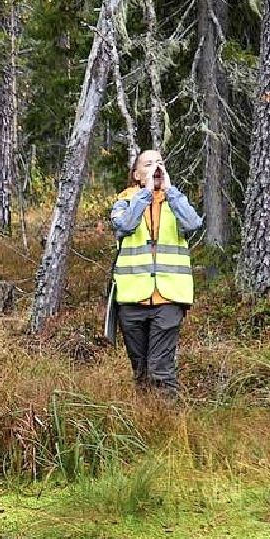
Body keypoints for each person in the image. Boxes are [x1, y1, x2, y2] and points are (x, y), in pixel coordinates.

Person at [107, 150, 204, 399]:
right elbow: (125, 225)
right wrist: (145, 194)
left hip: (169, 297)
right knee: (140, 369)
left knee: (161, 369)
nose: (156, 167)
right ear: (136, 174)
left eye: (160, 163)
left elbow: (193, 224)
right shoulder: (124, 202)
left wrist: (170, 191)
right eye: (148, 164)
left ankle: (168, 416)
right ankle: (146, 416)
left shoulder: (176, 201)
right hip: (131, 298)